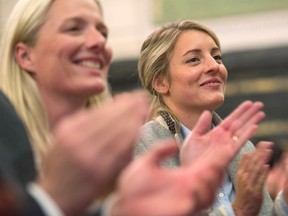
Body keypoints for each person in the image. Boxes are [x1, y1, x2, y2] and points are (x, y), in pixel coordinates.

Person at [0, 0, 268, 215]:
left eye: (102, 32)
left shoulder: (111, 149)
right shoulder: (137, 145)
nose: (99, 42)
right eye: (74, 28)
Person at [135, 20, 288, 215]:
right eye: (193, 59)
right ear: (160, 82)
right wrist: (239, 210)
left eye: (217, 57)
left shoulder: (242, 147)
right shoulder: (141, 148)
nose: (214, 66)